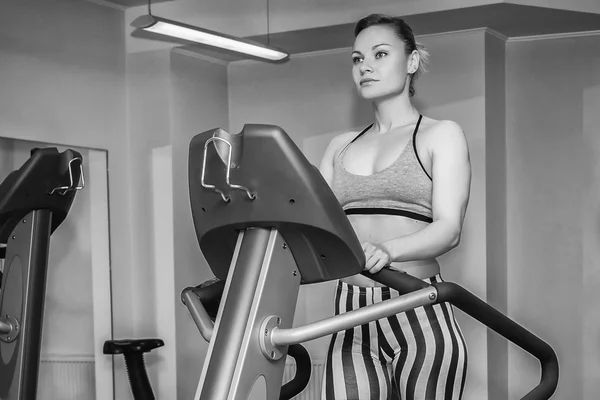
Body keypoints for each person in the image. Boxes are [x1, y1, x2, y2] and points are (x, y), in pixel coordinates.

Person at [318, 13, 472, 400]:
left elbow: (449, 228)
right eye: (357, 58)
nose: (365, 66)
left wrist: (388, 251)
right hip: (350, 310)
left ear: (412, 62)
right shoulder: (340, 146)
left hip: (416, 303)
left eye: (380, 54)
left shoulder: (440, 134)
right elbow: (313, 225)